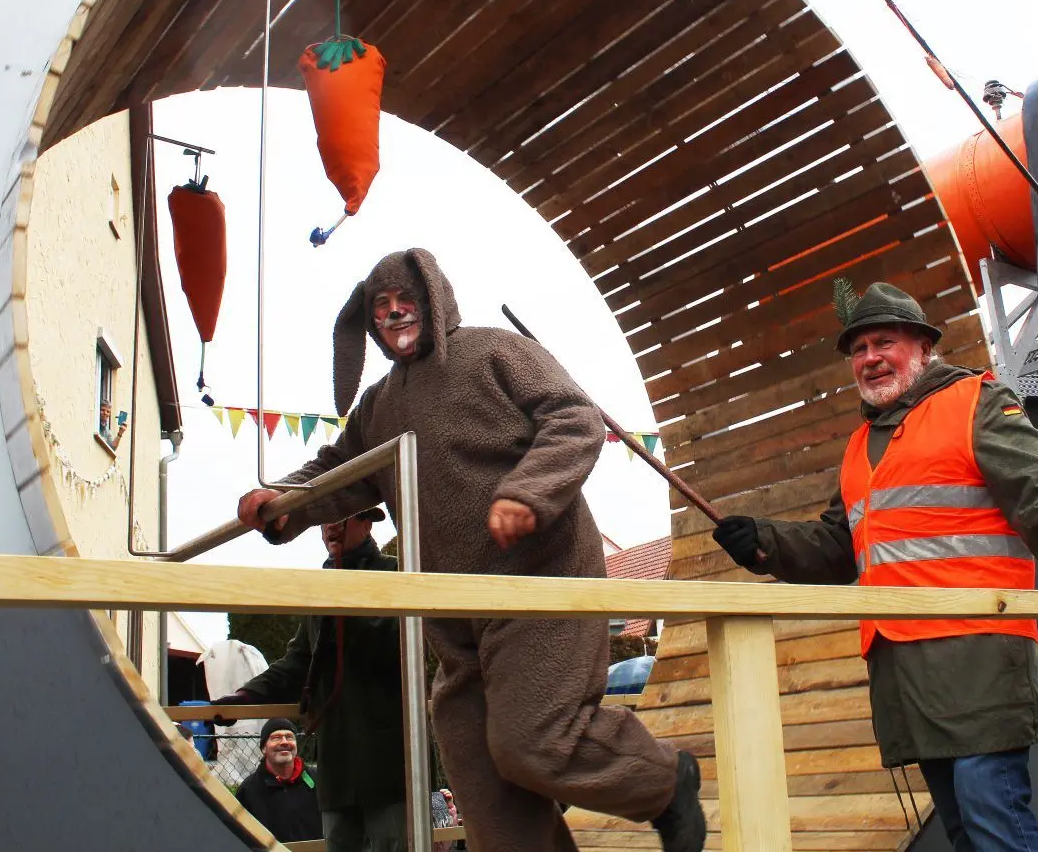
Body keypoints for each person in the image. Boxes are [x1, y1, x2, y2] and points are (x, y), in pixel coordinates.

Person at [234, 249, 704, 852]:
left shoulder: (493, 352)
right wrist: (283, 501)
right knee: (477, 766)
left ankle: (663, 782)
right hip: (455, 613)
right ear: (369, 322)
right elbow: (339, 469)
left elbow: (573, 418)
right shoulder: (379, 405)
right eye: (381, 306)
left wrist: (529, 492)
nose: (395, 312)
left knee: (533, 740)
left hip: (540, 581)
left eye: (406, 299)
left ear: (433, 299)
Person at [709, 281, 1038, 852]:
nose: (870, 358)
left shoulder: (976, 403)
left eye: (885, 342)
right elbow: (839, 546)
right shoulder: (860, 447)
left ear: (924, 348)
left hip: (978, 656)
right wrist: (764, 542)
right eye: (859, 349)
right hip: (905, 669)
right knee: (966, 832)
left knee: (993, 822)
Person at [214, 510, 408, 852]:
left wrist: (339, 596)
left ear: (367, 524)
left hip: (388, 760)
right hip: (338, 763)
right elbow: (299, 661)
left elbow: (396, 643)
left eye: (343, 516)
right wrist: (245, 696)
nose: (331, 524)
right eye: (325, 518)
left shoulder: (394, 573)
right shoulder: (323, 585)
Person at [235, 717, 324, 843]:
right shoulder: (249, 790)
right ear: (264, 748)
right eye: (276, 738)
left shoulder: (318, 779)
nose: (284, 742)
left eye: (289, 737)